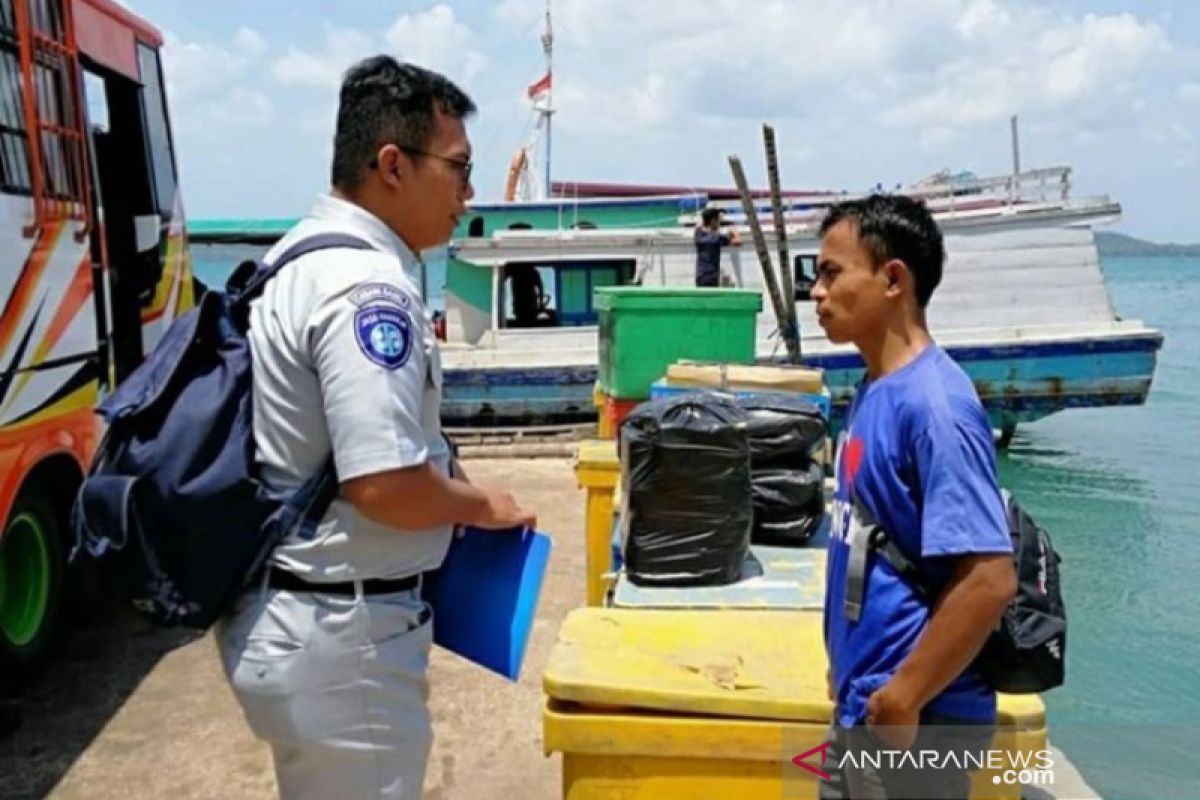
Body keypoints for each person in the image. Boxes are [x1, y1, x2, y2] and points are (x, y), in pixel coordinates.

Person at [217, 56, 536, 800]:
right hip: (343, 636)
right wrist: (482, 504)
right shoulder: (368, 288)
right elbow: (384, 483)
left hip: (298, 613)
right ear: (393, 164)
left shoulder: (295, 255)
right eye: (458, 169)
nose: (469, 193)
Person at [812, 195, 1017, 799]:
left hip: (919, 724)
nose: (816, 293)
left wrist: (904, 695)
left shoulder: (936, 406)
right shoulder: (873, 387)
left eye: (831, 273)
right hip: (870, 706)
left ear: (893, 278)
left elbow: (989, 579)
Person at [693, 207, 741, 287]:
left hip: (700, 276)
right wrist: (735, 231)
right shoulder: (717, 238)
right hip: (712, 277)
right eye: (718, 220)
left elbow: (699, 224)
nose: (719, 223)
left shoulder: (698, 235)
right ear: (713, 221)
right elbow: (738, 242)